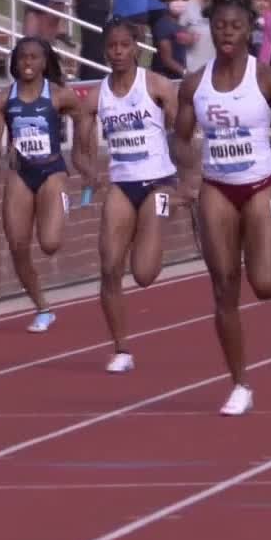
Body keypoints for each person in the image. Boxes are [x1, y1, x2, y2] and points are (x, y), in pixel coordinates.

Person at [173, 0, 271, 416]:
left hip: (261, 185)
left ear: (249, 30)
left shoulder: (267, 79)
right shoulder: (195, 85)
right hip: (217, 188)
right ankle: (239, 384)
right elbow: (179, 138)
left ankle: (262, 238)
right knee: (223, 288)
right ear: (212, 30)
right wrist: (188, 175)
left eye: (235, 26)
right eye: (220, 26)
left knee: (266, 286)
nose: (227, 33)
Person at [87, 20, 180, 373]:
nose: (118, 52)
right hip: (122, 184)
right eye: (112, 46)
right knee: (109, 266)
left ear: (136, 48)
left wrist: (187, 182)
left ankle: (154, 229)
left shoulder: (156, 85)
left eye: (124, 45)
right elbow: (80, 147)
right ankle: (122, 349)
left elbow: (183, 135)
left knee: (143, 274)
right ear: (105, 51)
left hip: (159, 182)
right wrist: (88, 170)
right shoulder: (97, 96)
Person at [0, 37, 97, 333]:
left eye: (34, 57)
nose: (27, 63)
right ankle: (43, 308)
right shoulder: (3, 99)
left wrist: (84, 159)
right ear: (15, 61)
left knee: (49, 244)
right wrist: (3, 150)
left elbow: (85, 121)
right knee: (17, 246)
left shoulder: (60, 95)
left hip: (52, 171)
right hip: (20, 173)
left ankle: (61, 205)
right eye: (23, 57)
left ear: (44, 62)